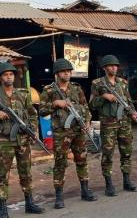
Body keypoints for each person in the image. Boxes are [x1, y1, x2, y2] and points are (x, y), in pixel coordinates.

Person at [39, 59, 97, 209]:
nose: (68, 73)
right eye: (65, 71)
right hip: (60, 132)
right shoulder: (49, 90)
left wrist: (88, 122)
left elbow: (85, 107)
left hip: (78, 130)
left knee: (82, 160)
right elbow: (42, 110)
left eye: (69, 71)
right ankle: (59, 196)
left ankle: (85, 190)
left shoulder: (77, 88)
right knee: (60, 164)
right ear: (57, 73)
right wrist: (55, 104)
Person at [89, 55, 137, 196]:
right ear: (105, 68)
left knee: (127, 152)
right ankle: (109, 184)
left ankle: (127, 181)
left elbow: (129, 102)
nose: (114, 68)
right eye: (111, 66)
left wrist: (134, 112)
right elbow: (92, 105)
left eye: (116, 65)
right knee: (108, 155)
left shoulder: (123, 83)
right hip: (108, 124)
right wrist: (104, 97)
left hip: (124, 123)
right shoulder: (98, 83)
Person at [0, 62, 45, 217]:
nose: (8, 77)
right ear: (1, 78)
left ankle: (29, 202)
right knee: (2, 174)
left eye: (11, 74)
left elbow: (32, 114)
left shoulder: (23, 94)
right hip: (4, 141)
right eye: (5, 74)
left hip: (23, 139)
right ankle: (2, 207)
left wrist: (33, 130)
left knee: (25, 172)